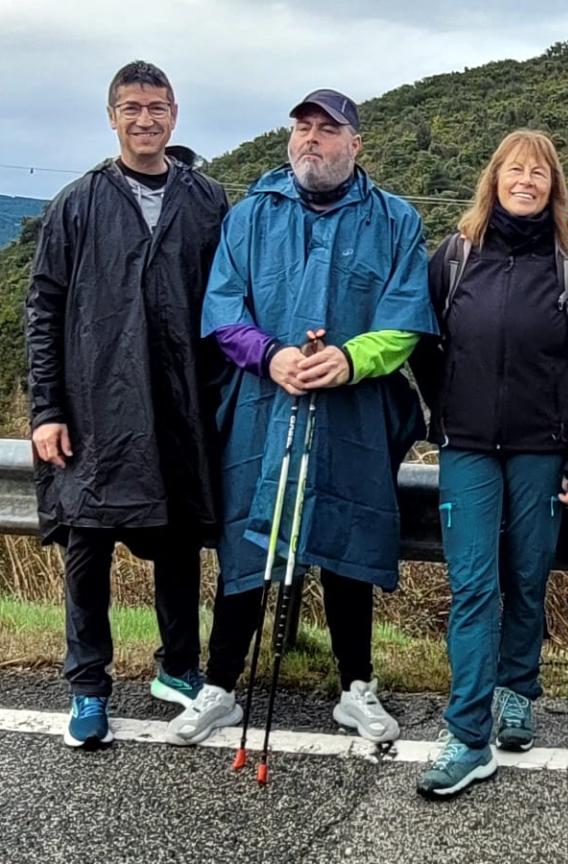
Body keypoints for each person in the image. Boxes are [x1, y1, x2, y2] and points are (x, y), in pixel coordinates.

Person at [163, 89, 437, 748]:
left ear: (356, 144)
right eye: (303, 127)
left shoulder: (395, 221)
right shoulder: (252, 215)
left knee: (346, 535)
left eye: (328, 129)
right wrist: (271, 355)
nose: (311, 139)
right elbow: (223, 308)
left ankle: (357, 687)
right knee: (251, 539)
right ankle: (222, 686)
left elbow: (404, 322)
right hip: (265, 406)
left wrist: (349, 359)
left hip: (352, 410)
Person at [25, 61, 229, 750]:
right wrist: (46, 409)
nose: (146, 120)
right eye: (132, 108)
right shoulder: (77, 204)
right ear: (111, 116)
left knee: (175, 539)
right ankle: (87, 686)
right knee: (87, 546)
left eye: (158, 107)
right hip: (93, 404)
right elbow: (43, 311)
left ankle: (178, 667)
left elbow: (230, 299)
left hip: (179, 400)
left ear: (176, 114)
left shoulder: (206, 199)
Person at [409, 130, 568, 797]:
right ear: (493, 178)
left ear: (554, 187)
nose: (525, 180)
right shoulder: (456, 255)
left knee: (525, 578)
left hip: (541, 450)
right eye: (514, 170)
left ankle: (518, 689)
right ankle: (468, 733)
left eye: (539, 173)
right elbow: (424, 344)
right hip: (466, 447)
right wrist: (449, 407)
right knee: (472, 588)